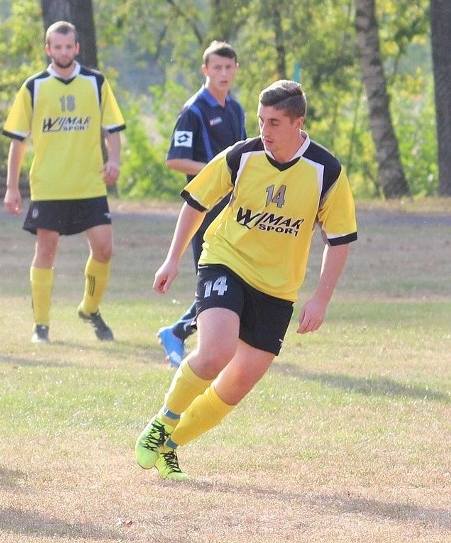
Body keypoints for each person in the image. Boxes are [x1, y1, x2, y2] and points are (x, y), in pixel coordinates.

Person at [135, 80, 357, 481]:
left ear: (298, 123)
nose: (264, 131)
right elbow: (195, 203)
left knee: (236, 386)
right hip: (226, 261)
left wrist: (320, 299)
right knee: (216, 350)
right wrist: (171, 260)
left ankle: (171, 445)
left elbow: (338, 240)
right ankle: (162, 423)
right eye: (260, 120)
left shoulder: (327, 171)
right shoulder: (243, 156)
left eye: (274, 122)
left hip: (277, 289)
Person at [3, 21, 125, 344]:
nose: (63, 52)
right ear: (48, 49)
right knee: (46, 249)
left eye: (68, 46)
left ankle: (89, 309)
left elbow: (112, 129)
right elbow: (17, 141)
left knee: (105, 249)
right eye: (56, 47)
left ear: (76, 48)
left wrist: (114, 160)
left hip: (89, 185)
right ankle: (41, 326)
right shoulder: (34, 86)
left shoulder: (96, 83)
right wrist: (12, 187)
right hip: (49, 185)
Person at [157, 41, 246, 367]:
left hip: (234, 209)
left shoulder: (235, 109)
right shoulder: (194, 110)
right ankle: (178, 333)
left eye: (229, 67)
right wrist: (216, 173)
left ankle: (180, 332)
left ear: (236, 69)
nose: (223, 73)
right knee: (218, 280)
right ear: (205, 70)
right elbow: (175, 160)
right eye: (217, 67)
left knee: (235, 279)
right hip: (204, 210)